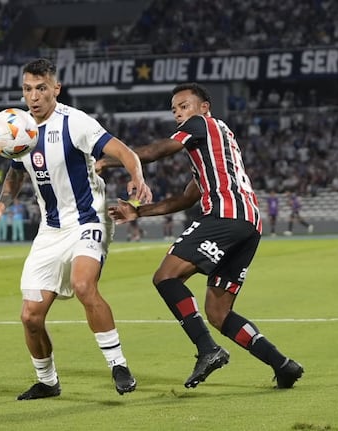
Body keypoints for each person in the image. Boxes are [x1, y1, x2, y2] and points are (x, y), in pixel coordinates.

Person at [103, 82, 304, 390]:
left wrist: (111, 158)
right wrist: (138, 212)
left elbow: (157, 151)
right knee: (219, 313)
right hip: (248, 224)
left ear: (203, 108)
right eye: (174, 110)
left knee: (166, 277)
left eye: (184, 106)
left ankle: (207, 350)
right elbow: (185, 200)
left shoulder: (202, 125)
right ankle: (282, 364)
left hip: (226, 215)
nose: (178, 114)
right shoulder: (213, 146)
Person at [0, 58, 152, 400]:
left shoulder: (76, 123)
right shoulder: (21, 129)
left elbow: (123, 151)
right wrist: (0, 208)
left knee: (83, 284)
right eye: (28, 89)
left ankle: (118, 365)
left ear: (55, 89)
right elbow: (16, 172)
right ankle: (47, 382)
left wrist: (137, 176)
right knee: (30, 316)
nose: (34, 96)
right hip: (51, 229)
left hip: (89, 218)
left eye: (41, 88)